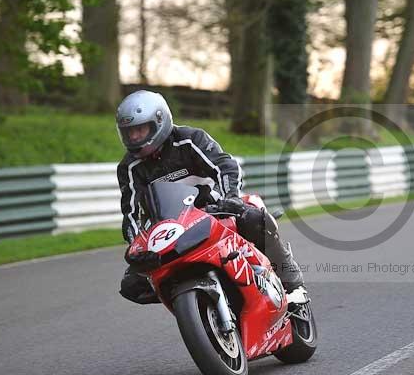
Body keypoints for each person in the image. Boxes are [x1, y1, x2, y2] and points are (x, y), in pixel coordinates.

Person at [115, 90, 304, 304]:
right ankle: (191, 301)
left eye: (140, 130)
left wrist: (230, 197)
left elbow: (226, 166)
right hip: (173, 229)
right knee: (132, 284)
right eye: (129, 132)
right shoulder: (129, 167)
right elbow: (131, 213)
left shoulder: (189, 139)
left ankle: (293, 284)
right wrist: (137, 246)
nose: (134, 138)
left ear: (159, 121)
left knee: (254, 219)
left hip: (216, 210)